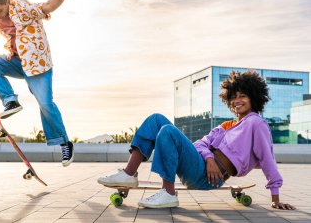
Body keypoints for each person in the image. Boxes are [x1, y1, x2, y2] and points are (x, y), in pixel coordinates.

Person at [98, 70, 296, 210]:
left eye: (243, 96)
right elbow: (199, 144)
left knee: (167, 130)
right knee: (156, 119)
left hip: (211, 178)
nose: (237, 101)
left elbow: (267, 159)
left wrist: (275, 198)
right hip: (200, 165)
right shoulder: (226, 126)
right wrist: (209, 158)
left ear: (254, 98)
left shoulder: (256, 124)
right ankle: (128, 174)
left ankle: (168, 194)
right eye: (233, 97)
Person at [0, 0, 74, 166]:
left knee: (45, 103)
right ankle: (10, 101)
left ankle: (64, 143)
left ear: (6, 1)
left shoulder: (22, 7)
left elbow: (46, 7)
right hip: (16, 62)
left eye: (0, 10)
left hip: (38, 64)